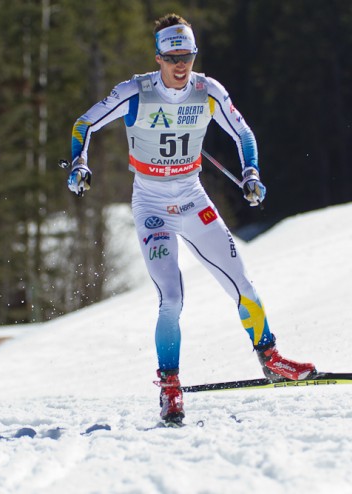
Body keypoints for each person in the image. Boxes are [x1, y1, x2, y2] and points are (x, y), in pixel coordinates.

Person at [67, 13, 315, 424]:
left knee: (243, 283)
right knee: (172, 298)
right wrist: (78, 164)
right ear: (158, 57)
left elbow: (244, 133)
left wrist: (251, 172)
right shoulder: (135, 92)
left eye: (187, 56)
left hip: (192, 198)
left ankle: (271, 358)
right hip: (151, 207)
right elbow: (84, 124)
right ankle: (169, 388)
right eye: (172, 56)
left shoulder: (207, 91)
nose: (181, 65)